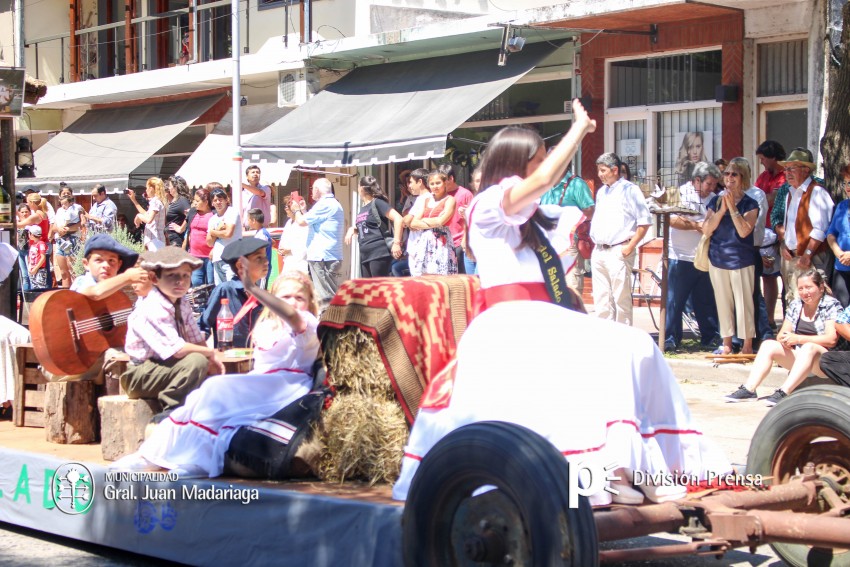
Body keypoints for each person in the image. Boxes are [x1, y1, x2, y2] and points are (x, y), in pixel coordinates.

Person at [393, 100, 731, 505]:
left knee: (635, 346)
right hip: (509, 323)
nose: (543, 170)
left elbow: (558, 238)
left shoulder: (529, 215)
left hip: (543, 317)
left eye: (542, 161)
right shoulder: (489, 205)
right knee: (596, 364)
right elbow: (540, 186)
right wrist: (578, 130)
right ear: (515, 164)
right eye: (536, 161)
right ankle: (595, 476)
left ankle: (635, 466)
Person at [116, 269, 321, 477]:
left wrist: (252, 288)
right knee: (200, 397)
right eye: (286, 297)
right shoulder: (268, 325)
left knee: (216, 388)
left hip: (286, 385)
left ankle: (199, 460)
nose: (293, 302)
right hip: (262, 383)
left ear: (309, 302)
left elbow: (293, 316)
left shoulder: (308, 323)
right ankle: (152, 455)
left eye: (299, 298)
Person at [122, 247, 224, 416]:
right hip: (139, 374)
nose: (180, 282)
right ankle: (170, 412)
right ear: (154, 278)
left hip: (165, 367)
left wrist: (211, 360)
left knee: (205, 364)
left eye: (185, 276)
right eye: (172, 276)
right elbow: (177, 350)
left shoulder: (181, 302)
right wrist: (211, 353)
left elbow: (195, 339)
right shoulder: (152, 306)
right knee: (196, 362)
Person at [725, 269, 840, 406]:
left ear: (821, 287)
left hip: (825, 362)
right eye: (801, 288)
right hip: (800, 358)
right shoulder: (797, 304)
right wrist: (784, 340)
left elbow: (831, 339)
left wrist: (797, 339)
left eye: (809, 287)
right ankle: (749, 389)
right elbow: (783, 332)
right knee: (768, 344)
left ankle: (784, 392)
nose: (804, 292)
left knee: (809, 347)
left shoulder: (831, 304)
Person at [703, 157, 760, 355]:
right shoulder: (715, 200)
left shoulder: (750, 203)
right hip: (717, 258)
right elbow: (706, 229)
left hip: (741, 259)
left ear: (742, 177)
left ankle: (747, 346)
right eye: (726, 174)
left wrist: (733, 208)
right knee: (722, 302)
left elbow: (745, 231)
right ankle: (726, 344)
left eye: (734, 174)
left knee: (745, 304)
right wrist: (721, 211)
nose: (729, 177)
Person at [664, 161, 721, 350]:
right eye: (708, 184)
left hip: (704, 257)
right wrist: (696, 225)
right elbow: (671, 219)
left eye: (714, 184)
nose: (712, 188)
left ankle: (709, 337)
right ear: (697, 180)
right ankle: (671, 338)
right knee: (675, 301)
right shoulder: (678, 192)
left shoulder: (714, 198)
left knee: (705, 300)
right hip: (680, 257)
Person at [590, 153, 651, 326]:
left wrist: (630, 247)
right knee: (602, 299)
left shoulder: (630, 190)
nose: (600, 174)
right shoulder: (602, 192)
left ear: (614, 170)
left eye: (603, 170)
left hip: (619, 249)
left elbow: (644, 222)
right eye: (599, 170)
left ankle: (625, 339)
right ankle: (605, 340)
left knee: (621, 299)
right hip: (599, 249)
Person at [778, 148, 834, 304]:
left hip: (811, 258)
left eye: (792, 168)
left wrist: (807, 254)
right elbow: (788, 228)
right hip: (793, 257)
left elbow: (820, 230)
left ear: (806, 170)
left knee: (813, 302)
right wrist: (783, 245)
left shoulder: (817, 192)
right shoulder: (790, 193)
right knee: (793, 301)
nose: (787, 172)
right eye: (786, 169)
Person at [202, 237, 269, 349]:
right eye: (258, 258)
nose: (266, 262)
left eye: (265, 257)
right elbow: (204, 325)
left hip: (258, 360)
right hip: (231, 360)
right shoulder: (225, 290)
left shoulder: (263, 296)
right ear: (240, 265)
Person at [290, 178, 344, 313]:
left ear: (317, 190)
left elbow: (301, 222)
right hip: (328, 255)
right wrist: (302, 211)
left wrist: (296, 211)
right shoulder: (332, 203)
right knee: (328, 294)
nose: (311, 192)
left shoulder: (324, 204)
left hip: (322, 257)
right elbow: (312, 220)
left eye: (312, 188)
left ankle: (330, 325)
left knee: (325, 296)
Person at [540, 166, 595, 295]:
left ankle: (574, 313)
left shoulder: (576, 184)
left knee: (571, 284)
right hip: (548, 242)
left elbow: (590, 211)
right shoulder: (544, 184)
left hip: (570, 242)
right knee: (550, 283)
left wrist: (567, 217)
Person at [344, 176, 404, 277]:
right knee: (368, 289)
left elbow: (398, 218)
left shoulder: (377, 203)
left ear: (361, 188)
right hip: (365, 253)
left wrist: (396, 243)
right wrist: (353, 229)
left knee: (379, 288)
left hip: (378, 252)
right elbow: (367, 228)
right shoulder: (363, 207)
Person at [755, 141, 787, 321]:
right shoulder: (763, 176)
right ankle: (768, 318)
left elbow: (773, 199)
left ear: (773, 157)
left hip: (782, 232)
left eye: (763, 158)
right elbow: (755, 198)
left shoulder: (784, 176)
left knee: (785, 277)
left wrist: (763, 199)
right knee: (768, 277)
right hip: (764, 232)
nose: (761, 162)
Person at [409, 170, 458, 276]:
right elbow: (413, 223)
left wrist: (424, 220)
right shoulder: (426, 200)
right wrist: (433, 221)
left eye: (438, 183)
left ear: (445, 183)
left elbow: (441, 221)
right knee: (424, 275)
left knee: (441, 274)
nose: (435, 186)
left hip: (441, 241)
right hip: (425, 241)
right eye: (432, 184)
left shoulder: (450, 200)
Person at [438, 164, 474, 274]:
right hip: (443, 242)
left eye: (444, 181)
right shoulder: (440, 195)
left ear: (451, 178)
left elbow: (471, 219)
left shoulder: (465, 194)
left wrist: (465, 239)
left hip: (459, 242)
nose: (441, 185)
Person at [207, 187, 243, 284]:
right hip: (217, 258)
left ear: (226, 200)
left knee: (232, 287)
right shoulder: (212, 219)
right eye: (215, 200)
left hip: (232, 258)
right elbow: (209, 242)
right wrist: (218, 229)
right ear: (212, 203)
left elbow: (228, 234)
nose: (218, 202)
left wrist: (213, 232)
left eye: (220, 199)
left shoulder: (232, 212)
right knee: (221, 291)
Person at [827, 165, 850, 307]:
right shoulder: (842, 206)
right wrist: (838, 252)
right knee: (841, 311)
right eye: (845, 182)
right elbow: (831, 233)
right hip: (841, 268)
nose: (847, 186)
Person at [51, 195, 83, 288]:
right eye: (62, 204)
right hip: (61, 240)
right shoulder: (59, 211)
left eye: (65, 204)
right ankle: (66, 294)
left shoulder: (77, 208)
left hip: (72, 239)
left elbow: (82, 223)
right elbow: (54, 226)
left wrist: (67, 229)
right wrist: (59, 229)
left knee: (73, 270)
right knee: (63, 272)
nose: (63, 206)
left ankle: (75, 293)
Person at [185, 187, 215, 287]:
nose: (195, 203)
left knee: (210, 282)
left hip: (209, 255)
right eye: (194, 200)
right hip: (195, 255)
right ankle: (200, 303)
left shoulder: (213, 215)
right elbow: (188, 232)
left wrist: (214, 250)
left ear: (206, 202)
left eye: (197, 201)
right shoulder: (192, 212)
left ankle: (211, 302)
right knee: (196, 282)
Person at [129, 177, 168, 251]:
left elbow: (148, 219)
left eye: (147, 188)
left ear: (151, 188)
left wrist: (139, 216)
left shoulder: (155, 201)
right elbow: (147, 215)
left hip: (155, 240)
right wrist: (134, 200)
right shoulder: (157, 200)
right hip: (156, 239)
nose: (146, 190)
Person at [278, 197, 308, 275]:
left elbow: (305, 243)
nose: (285, 209)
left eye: (287, 207)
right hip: (288, 261)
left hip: (300, 263)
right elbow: (283, 239)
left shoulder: (304, 222)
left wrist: (290, 250)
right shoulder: (289, 222)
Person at [246, 208, 272, 287]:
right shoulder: (260, 233)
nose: (248, 222)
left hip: (261, 269)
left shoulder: (262, 235)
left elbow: (259, 251)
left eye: (248, 220)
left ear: (253, 220)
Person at [241, 165, 271, 230]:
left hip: (261, 229)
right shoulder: (242, 194)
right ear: (247, 176)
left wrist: (242, 184)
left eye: (257, 172)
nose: (255, 174)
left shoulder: (266, 188)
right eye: (253, 172)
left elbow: (260, 193)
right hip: (246, 230)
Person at [165, 175, 192, 247]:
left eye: (170, 186)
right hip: (170, 239)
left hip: (176, 241)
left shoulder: (182, 200)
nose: (169, 188)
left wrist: (181, 229)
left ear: (175, 187)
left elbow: (191, 213)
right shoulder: (175, 200)